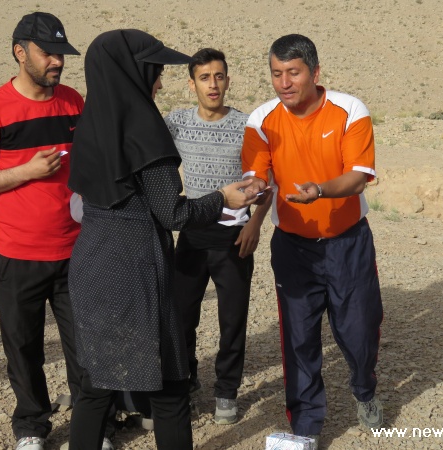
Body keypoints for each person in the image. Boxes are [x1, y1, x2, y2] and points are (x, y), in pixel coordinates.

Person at [65, 29, 257, 450]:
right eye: (155, 71)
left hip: (91, 263)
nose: (159, 82)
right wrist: (222, 198)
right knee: (170, 389)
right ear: (134, 72)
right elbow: (173, 213)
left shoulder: (92, 124)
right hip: (135, 270)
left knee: (95, 387)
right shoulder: (144, 130)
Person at [241, 34, 384, 445]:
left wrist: (319, 191)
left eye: (293, 72)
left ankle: (364, 388)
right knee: (299, 338)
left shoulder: (349, 110)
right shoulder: (261, 120)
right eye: (276, 74)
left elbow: (358, 178)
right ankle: (305, 427)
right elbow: (257, 176)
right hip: (293, 247)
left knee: (359, 330)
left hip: (347, 242)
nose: (284, 83)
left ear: (315, 72)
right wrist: (253, 189)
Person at [0, 12, 86, 450]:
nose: (58, 62)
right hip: (17, 254)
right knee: (23, 347)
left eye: (61, 54)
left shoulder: (74, 102)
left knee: (84, 348)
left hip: (75, 251)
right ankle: (32, 426)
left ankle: (93, 428)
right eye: (48, 53)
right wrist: (26, 172)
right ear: (20, 52)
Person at [165, 48, 271, 425]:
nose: (213, 84)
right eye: (205, 77)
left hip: (233, 238)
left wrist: (255, 224)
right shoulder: (175, 123)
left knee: (233, 320)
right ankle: (186, 379)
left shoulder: (246, 125)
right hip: (191, 235)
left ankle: (226, 390)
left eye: (219, 76)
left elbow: (266, 183)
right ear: (191, 83)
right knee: (181, 317)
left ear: (228, 80)